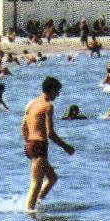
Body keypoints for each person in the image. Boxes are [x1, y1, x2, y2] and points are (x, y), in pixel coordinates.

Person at [22, 75, 73, 212]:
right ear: (50, 90)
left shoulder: (31, 103)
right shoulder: (48, 106)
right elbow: (50, 133)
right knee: (36, 183)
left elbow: (23, 127)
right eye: (57, 91)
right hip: (39, 146)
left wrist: (28, 143)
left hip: (30, 145)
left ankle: (36, 204)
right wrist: (66, 146)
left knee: (52, 178)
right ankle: (29, 212)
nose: (57, 94)